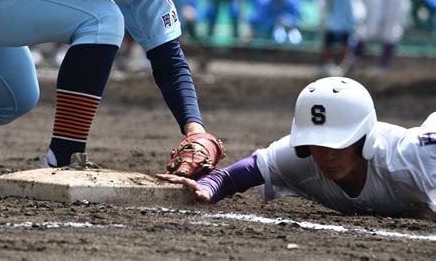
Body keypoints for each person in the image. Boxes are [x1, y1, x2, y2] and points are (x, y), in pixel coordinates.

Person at [0, 0, 222, 178]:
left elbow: (167, 56)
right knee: (102, 18)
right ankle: (64, 159)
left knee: (14, 98)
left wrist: (194, 127)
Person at [158, 77, 436, 218]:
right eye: (316, 143)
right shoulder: (298, 159)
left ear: (363, 138)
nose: (326, 155)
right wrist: (206, 187)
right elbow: (228, 177)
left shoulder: (412, 156)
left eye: (337, 144)